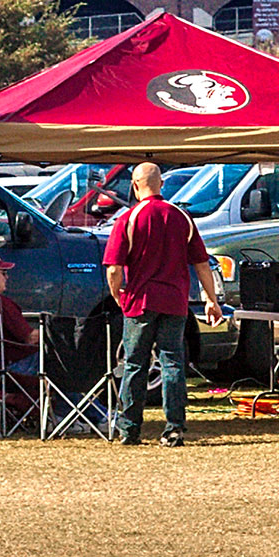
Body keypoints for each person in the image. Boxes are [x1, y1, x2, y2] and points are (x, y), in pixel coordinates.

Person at [102, 162, 225, 447]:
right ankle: (174, 429)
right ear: (161, 184)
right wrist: (211, 300)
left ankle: (129, 429)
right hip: (174, 301)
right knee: (173, 364)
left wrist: (118, 295)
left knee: (134, 365)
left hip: (140, 301)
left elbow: (113, 268)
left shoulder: (130, 218)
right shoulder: (180, 216)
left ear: (134, 185)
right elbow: (202, 264)